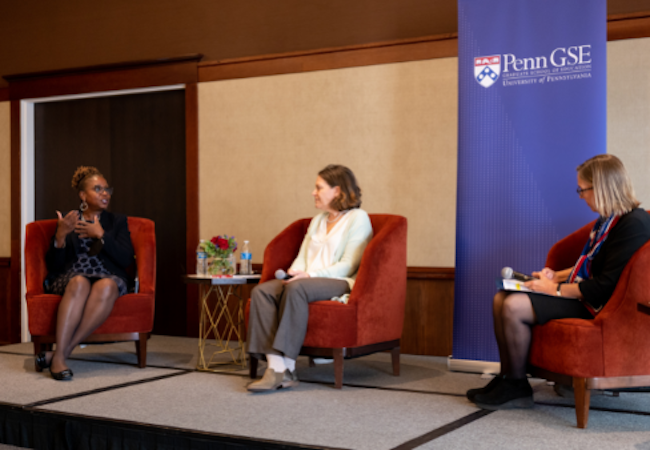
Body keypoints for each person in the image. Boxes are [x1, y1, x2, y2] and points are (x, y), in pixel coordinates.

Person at [467, 154, 650, 410]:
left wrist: (553, 289)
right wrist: (555, 276)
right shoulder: (608, 221)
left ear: (601, 188)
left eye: (582, 189)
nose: (580, 196)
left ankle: (517, 386)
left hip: (601, 306)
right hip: (585, 296)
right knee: (502, 297)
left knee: (513, 306)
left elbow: (604, 285)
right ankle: (508, 378)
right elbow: (588, 264)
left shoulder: (634, 225)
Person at [246, 164, 373, 392]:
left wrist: (309, 276)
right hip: (306, 280)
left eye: (318, 187)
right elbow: (302, 257)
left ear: (337, 191)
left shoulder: (358, 218)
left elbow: (349, 264)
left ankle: (287, 366)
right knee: (262, 291)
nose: (313, 192)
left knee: (297, 289)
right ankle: (277, 367)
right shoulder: (318, 220)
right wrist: (294, 274)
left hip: (339, 280)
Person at [36, 166, 135, 381]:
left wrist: (101, 234)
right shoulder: (69, 220)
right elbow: (55, 265)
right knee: (79, 282)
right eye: (97, 189)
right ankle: (60, 358)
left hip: (107, 275)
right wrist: (60, 237)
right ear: (83, 195)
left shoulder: (117, 221)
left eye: (107, 189)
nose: (105, 193)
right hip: (72, 276)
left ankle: (60, 354)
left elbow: (126, 259)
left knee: (107, 285)